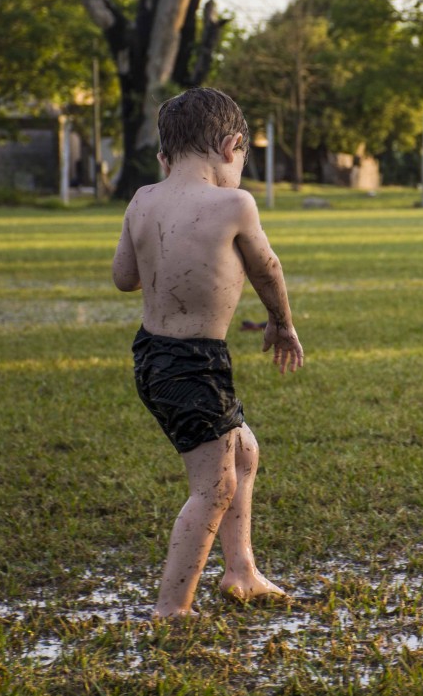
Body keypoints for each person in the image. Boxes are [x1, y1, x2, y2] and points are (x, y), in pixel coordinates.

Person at [112, 87, 304, 618]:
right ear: (231, 145)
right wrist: (282, 325)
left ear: (163, 157)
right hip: (194, 362)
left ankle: (241, 571)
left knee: (243, 451)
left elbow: (124, 278)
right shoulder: (234, 203)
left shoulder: (141, 199)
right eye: (242, 158)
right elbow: (268, 267)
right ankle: (173, 607)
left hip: (152, 357)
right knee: (214, 484)